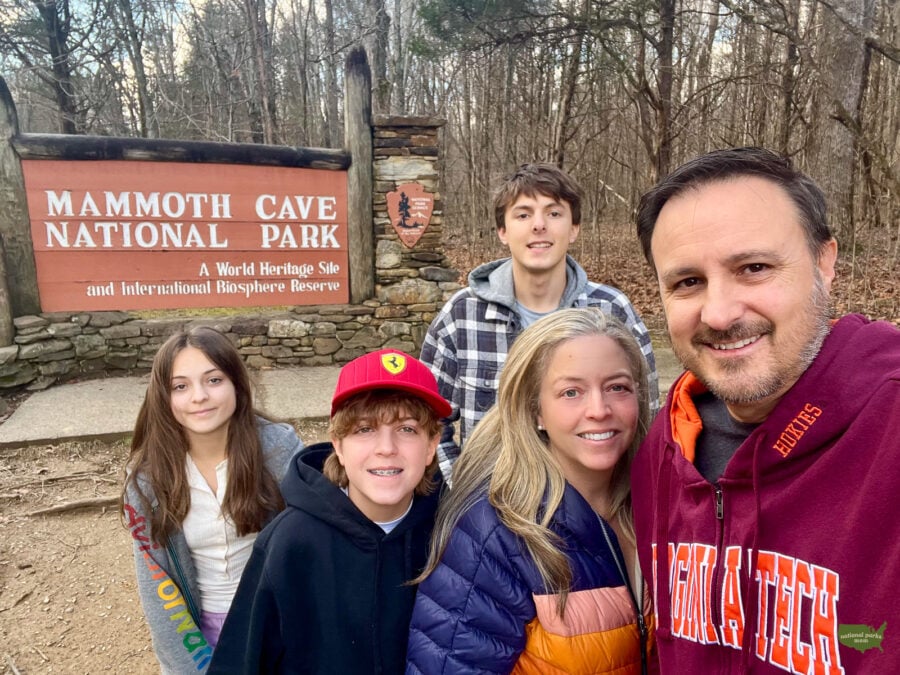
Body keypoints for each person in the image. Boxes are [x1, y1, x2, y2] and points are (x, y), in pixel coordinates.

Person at [631, 147, 900, 673]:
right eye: (688, 282)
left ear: (825, 264)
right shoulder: (663, 447)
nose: (720, 313)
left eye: (754, 268)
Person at [407, 308, 656, 674]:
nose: (599, 410)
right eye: (571, 392)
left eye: (617, 387)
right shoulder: (496, 535)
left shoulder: (666, 505)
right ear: (535, 411)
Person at [207, 348, 450, 674]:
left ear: (432, 445)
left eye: (407, 429)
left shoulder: (454, 534)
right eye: (365, 429)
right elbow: (241, 661)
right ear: (337, 444)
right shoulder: (289, 543)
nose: (386, 448)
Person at [421, 163, 659, 482]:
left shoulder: (612, 311)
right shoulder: (461, 315)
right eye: (523, 214)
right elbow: (428, 422)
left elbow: (649, 416)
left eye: (553, 213)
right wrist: (462, 488)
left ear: (574, 228)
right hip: (490, 505)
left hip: (592, 507)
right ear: (502, 232)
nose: (539, 226)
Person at [120, 326, 303, 673]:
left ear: (236, 383)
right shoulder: (147, 481)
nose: (199, 396)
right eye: (181, 386)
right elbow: (157, 591)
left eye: (214, 380)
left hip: (277, 622)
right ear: (164, 396)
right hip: (200, 635)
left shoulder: (281, 453)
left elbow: (314, 548)